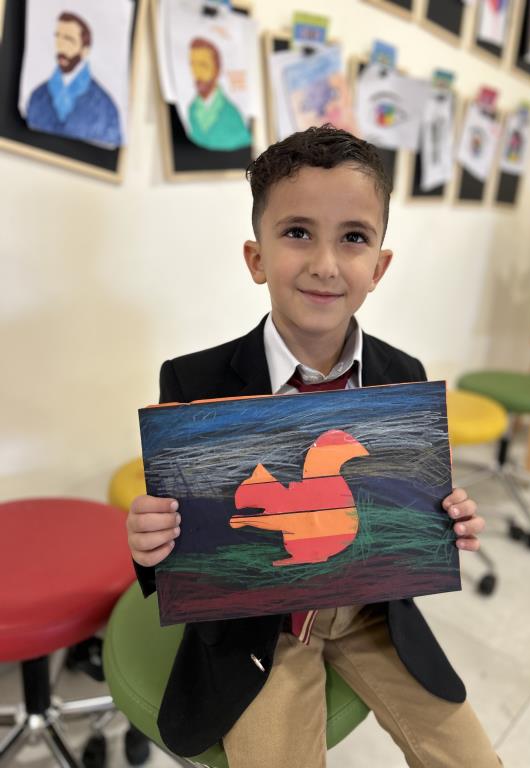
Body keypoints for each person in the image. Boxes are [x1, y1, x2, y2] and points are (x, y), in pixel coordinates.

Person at [127, 125, 501, 767]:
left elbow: (405, 509)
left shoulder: (402, 378)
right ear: (257, 258)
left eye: (353, 237)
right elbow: (182, 546)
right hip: (260, 630)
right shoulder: (194, 384)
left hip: (371, 613)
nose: (326, 264)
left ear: (378, 267)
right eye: (298, 232)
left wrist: (447, 518)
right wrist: (148, 542)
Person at [26, 12, 122, 147]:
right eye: (58, 37)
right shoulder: (37, 96)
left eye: (69, 40)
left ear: (85, 50)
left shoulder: (104, 106)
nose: (61, 47)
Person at [187, 37, 252, 151]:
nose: (198, 73)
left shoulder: (231, 114)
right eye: (193, 65)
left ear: (216, 69)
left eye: (203, 65)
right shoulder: (192, 110)